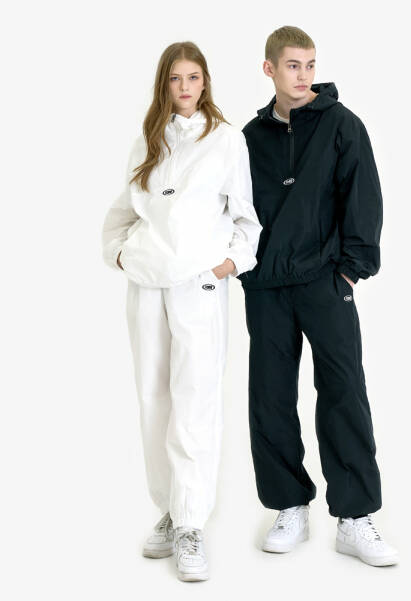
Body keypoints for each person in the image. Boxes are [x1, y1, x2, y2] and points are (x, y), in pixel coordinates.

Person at [238, 26, 399, 567]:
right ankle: (289, 506)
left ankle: (355, 518)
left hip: (326, 281)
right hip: (266, 286)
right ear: (269, 69)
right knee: (270, 397)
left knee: (343, 390)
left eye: (309, 64)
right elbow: (233, 207)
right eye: (292, 65)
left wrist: (352, 270)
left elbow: (364, 197)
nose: (303, 75)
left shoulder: (342, 125)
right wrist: (243, 266)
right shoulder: (249, 137)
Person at [102, 41, 262, 581]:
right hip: (147, 284)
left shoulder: (226, 140)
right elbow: (121, 215)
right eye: (176, 78)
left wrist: (228, 264)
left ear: (205, 81)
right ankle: (170, 510)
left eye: (193, 77)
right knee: (153, 399)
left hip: (198, 286)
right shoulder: (147, 141)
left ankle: (192, 523)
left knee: (196, 398)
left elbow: (246, 218)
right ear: (164, 85)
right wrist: (120, 254)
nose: (185, 87)